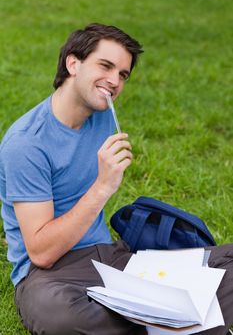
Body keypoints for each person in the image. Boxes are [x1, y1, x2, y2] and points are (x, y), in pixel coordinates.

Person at [0, 23, 232, 335]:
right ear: (73, 63)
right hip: (52, 276)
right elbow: (42, 253)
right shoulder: (27, 144)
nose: (114, 81)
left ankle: (166, 317)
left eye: (123, 74)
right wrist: (103, 186)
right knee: (60, 317)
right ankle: (184, 319)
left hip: (111, 258)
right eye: (106, 66)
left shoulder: (101, 117)